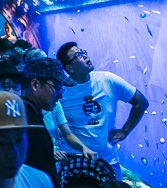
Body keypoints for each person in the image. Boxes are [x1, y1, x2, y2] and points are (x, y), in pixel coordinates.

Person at [56, 42, 149, 179]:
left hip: (107, 159)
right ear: (69, 67)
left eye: (83, 52)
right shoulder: (61, 91)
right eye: (78, 55)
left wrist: (125, 130)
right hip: (73, 158)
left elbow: (141, 102)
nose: (85, 56)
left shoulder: (108, 80)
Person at [20, 57, 70, 188]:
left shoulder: (28, 113)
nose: (60, 95)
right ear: (35, 84)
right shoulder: (29, 123)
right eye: (56, 87)